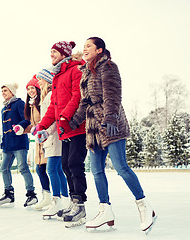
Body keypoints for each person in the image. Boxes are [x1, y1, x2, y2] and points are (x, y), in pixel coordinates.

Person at [69, 37, 157, 232]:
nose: (84, 49)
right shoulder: (86, 72)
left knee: (121, 167)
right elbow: (85, 102)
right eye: (84, 47)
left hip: (111, 124)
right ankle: (105, 210)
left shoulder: (108, 66)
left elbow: (113, 94)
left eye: (89, 46)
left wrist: (110, 117)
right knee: (96, 171)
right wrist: (74, 121)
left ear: (100, 49)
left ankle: (144, 206)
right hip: (93, 127)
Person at [34, 41, 87, 227]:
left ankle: (80, 204)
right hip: (64, 129)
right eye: (50, 53)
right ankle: (73, 202)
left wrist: (64, 117)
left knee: (74, 164)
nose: (51, 55)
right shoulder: (57, 76)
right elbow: (53, 108)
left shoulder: (75, 69)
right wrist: (42, 125)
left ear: (64, 53)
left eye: (54, 52)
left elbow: (77, 96)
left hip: (76, 126)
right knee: (65, 165)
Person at [0, 83, 38, 208]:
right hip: (8, 144)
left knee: (22, 167)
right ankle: (9, 194)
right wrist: (3, 142)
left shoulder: (19, 103)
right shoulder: (3, 109)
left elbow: (27, 119)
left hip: (19, 141)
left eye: (5, 90)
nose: (3, 93)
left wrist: (20, 126)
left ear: (12, 92)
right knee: (4, 167)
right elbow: (4, 128)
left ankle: (31, 194)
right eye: (2, 91)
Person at [34, 68, 70, 218]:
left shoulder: (49, 96)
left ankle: (57, 201)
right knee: (57, 170)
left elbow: (53, 118)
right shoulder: (46, 97)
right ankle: (64, 200)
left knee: (52, 169)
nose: (39, 82)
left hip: (54, 138)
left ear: (47, 80)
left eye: (40, 79)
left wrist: (46, 132)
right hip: (51, 137)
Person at [23, 76, 51, 210]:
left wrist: (38, 128)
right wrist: (22, 129)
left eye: (32, 88)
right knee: (40, 170)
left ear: (38, 89)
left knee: (50, 169)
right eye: (28, 89)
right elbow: (32, 125)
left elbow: (45, 119)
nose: (30, 91)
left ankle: (56, 197)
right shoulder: (31, 105)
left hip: (47, 139)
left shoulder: (41, 102)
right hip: (38, 142)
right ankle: (47, 196)